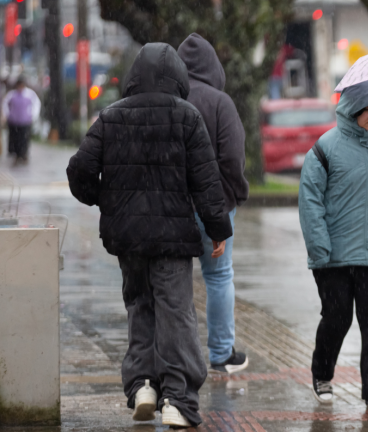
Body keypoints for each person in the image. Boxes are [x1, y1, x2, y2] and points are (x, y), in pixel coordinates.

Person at [66, 43, 232, 428]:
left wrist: (107, 199)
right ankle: (178, 398)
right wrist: (218, 228)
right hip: (172, 237)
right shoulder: (187, 117)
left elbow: (79, 172)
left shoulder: (110, 117)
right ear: (178, 77)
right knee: (176, 314)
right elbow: (206, 182)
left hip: (128, 238)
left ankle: (142, 384)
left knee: (139, 306)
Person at [298, 78, 368, 410]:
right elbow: (310, 201)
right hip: (333, 256)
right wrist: (320, 249)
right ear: (351, 109)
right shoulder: (324, 148)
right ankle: (322, 373)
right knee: (337, 317)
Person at [178, 32, 250, 375]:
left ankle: (178, 355)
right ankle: (221, 354)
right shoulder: (221, 102)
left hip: (174, 206)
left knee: (174, 281)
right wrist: (235, 193)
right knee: (219, 277)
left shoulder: (169, 98)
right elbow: (232, 158)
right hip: (215, 205)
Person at [2, 77, 41, 165]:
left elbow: (36, 104)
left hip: (25, 121)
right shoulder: (12, 94)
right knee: (15, 139)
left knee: (24, 139)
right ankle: (16, 155)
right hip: (14, 121)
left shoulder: (30, 94)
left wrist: (33, 115)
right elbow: (5, 104)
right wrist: (7, 114)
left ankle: (23, 154)